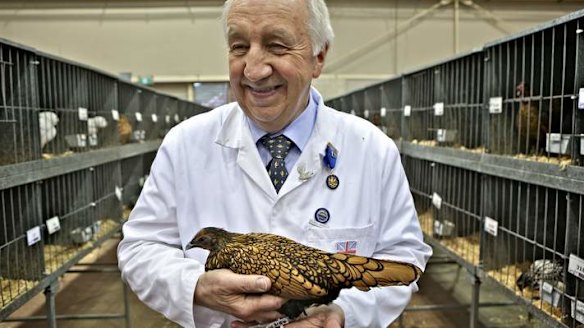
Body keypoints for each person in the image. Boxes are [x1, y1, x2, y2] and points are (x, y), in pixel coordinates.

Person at [117, 0, 432, 327]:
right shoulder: (185, 144)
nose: (253, 70)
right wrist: (194, 286)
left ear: (318, 56)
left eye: (277, 46)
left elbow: (403, 256)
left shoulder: (372, 149)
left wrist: (343, 314)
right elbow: (141, 248)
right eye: (239, 46)